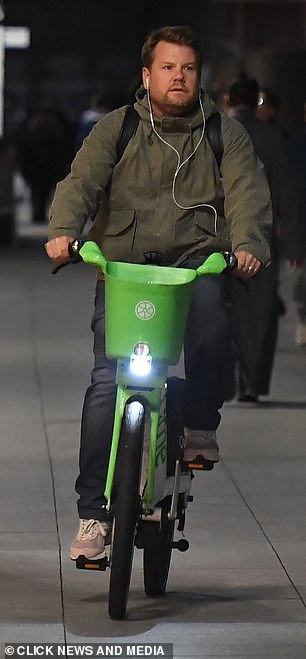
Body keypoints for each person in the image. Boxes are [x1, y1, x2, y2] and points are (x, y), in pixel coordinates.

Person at [45, 26, 272, 562]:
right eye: (167, 67)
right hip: (124, 269)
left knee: (216, 325)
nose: (178, 77)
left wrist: (248, 245)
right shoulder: (117, 128)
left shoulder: (225, 135)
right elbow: (81, 182)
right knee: (106, 381)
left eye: (188, 68)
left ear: (200, 77)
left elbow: (247, 191)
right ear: (147, 76)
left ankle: (199, 423)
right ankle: (93, 516)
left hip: (197, 265)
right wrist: (64, 231)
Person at [225, 74, 302, 401]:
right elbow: (288, 193)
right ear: (256, 101)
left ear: (228, 101)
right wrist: (294, 244)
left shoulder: (216, 134)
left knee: (221, 311)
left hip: (221, 236)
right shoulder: (272, 139)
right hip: (261, 237)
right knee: (259, 312)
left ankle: (225, 378)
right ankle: (252, 382)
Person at [14, 101, 74, 223]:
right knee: (46, 190)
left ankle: (37, 212)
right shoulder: (57, 124)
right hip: (50, 164)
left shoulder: (31, 123)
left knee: (35, 190)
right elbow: (64, 146)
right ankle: (42, 212)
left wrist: (22, 164)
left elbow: (23, 145)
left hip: (34, 163)